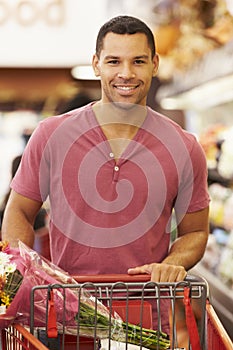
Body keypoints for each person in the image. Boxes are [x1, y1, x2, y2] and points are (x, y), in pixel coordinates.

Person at [2, 15, 209, 334]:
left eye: (138, 61)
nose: (126, 73)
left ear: (154, 64)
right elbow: (19, 210)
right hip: (67, 316)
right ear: (97, 64)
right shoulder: (51, 135)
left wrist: (173, 262)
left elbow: (195, 232)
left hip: (146, 322)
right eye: (114, 61)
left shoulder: (184, 146)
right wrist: (23, 274)